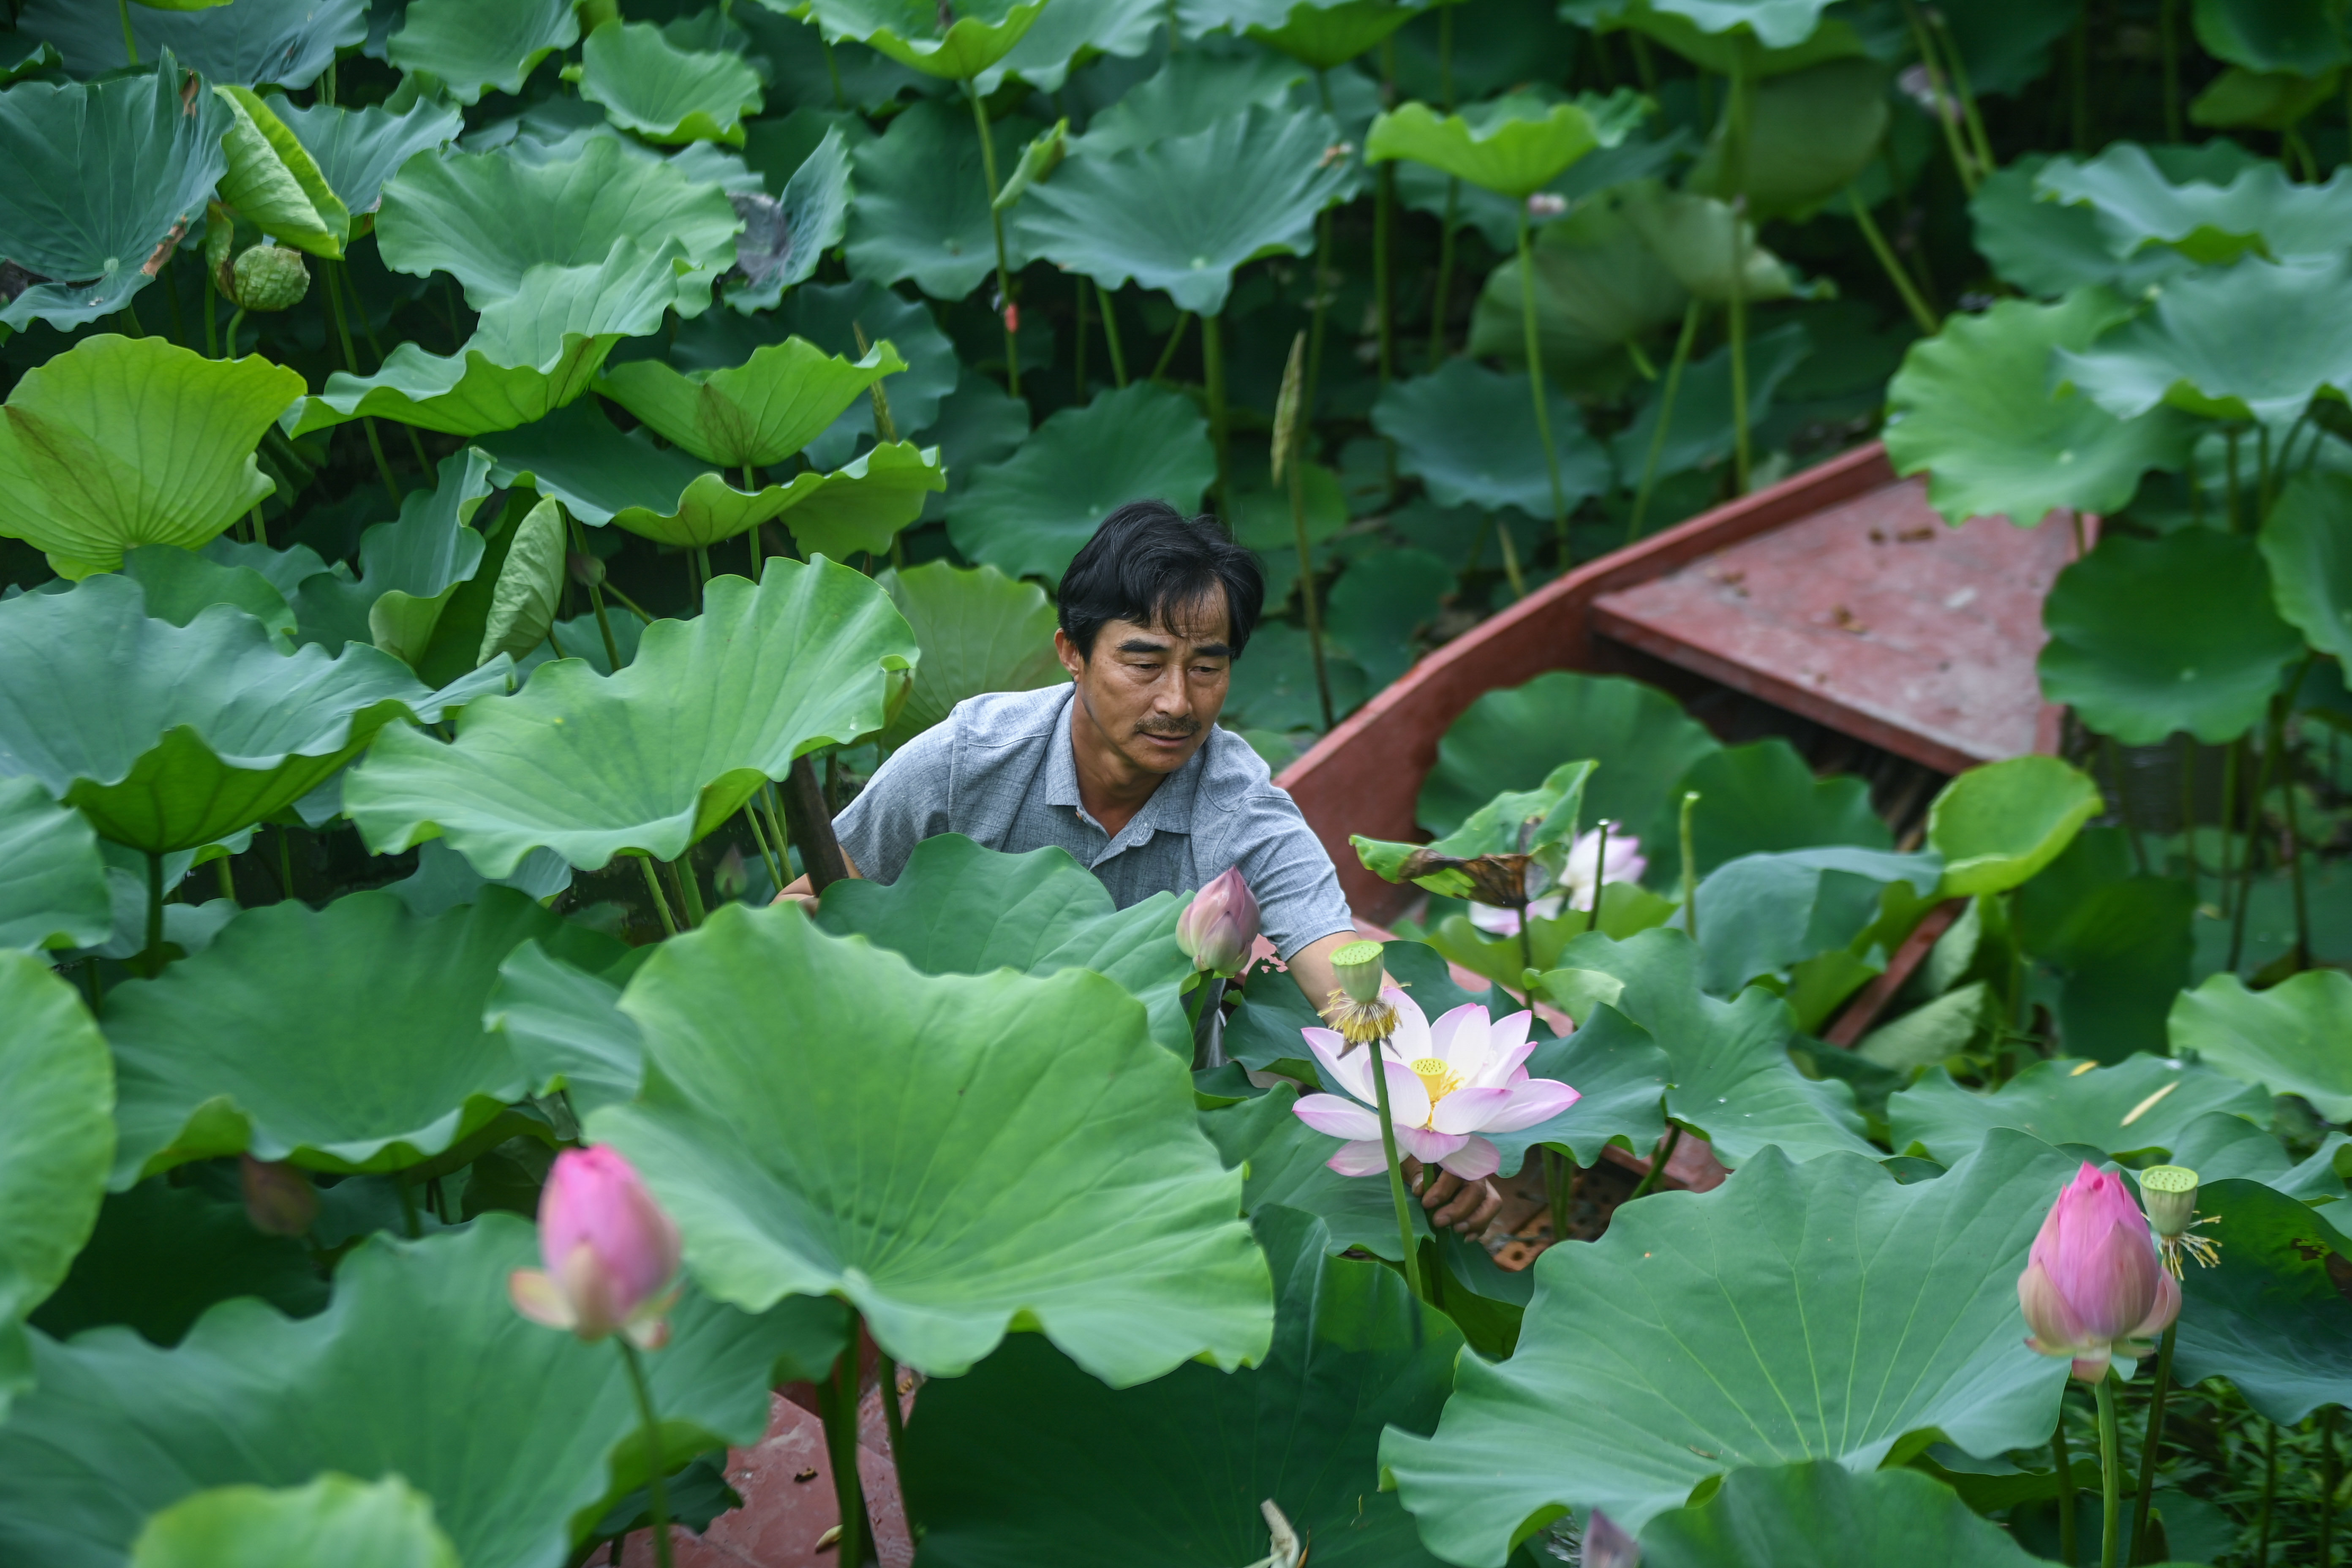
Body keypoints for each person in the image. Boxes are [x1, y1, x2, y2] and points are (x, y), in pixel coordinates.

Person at [777, 500, 1501, 1235]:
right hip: (946, 1096)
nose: (1178, 702)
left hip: (1153, 1124)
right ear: (1072, 651)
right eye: (1145, 662)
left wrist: (1436, 1119)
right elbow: (813, 898)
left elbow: (1342, 971)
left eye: (1208, 667)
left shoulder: (1242, 807)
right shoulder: (969, 758)